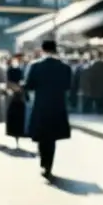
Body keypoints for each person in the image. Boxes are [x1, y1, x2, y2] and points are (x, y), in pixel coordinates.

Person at [24, 39, 72, 179]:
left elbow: (29, 85)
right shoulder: (64, 67)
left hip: (41, 104)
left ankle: (43, 163)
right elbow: (68, 86)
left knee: (42, 136)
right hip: (57, 105)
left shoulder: (35, 66)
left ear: (42, 50)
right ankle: (49, 165)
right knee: (52, 138)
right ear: (55, 50)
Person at [4, 53, 27, 147]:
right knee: (13, 113)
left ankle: (19, 133)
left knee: (20, 114)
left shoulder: (24, 68)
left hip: (21, 94)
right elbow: (7, 82)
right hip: (13, 94)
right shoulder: (10, 69)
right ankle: (14, 133)